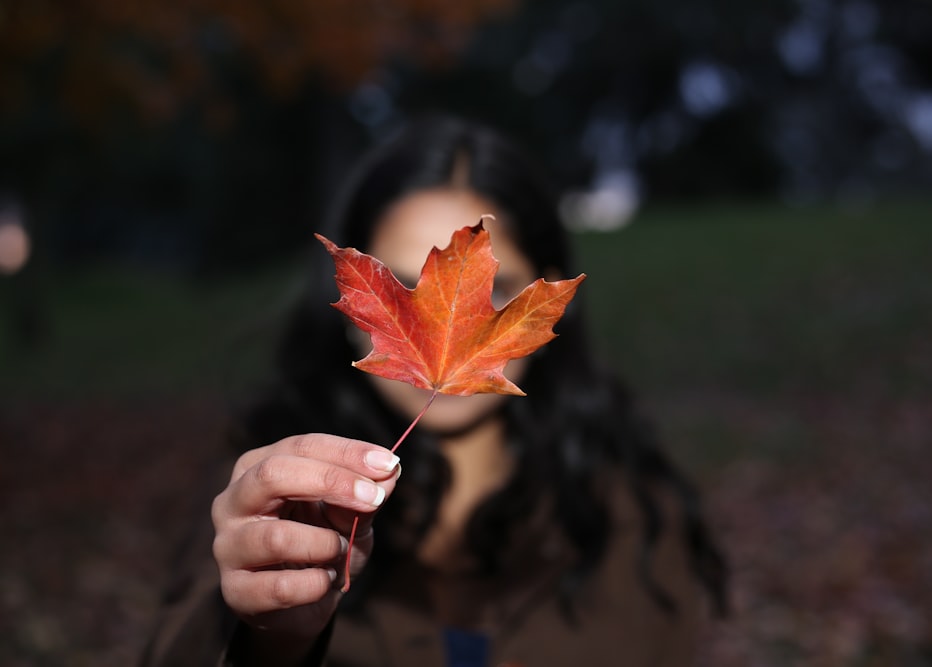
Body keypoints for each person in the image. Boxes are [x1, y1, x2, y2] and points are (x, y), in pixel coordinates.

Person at [141, 114, 727, 666]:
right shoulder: (278, 489)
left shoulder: (629, 515)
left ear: (543, 305)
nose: (441, 320)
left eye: (499, 288)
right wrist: (268, 639)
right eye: (399, 284)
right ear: (350, 305)